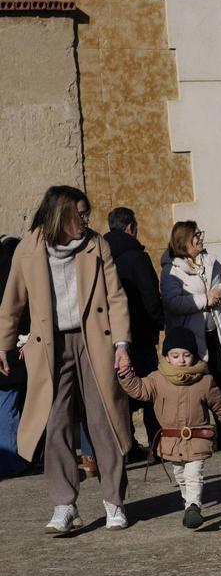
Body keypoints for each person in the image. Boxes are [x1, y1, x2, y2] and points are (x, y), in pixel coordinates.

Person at [0, 186, 133, 531]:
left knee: (104, 420)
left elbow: (116, 297)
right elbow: (12, 302)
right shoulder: (28, 250)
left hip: (94, 342)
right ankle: (63, 504)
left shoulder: (96, 244)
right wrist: (4, 344)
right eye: (81, 214)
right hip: (49, 346)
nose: (87, 220)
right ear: (61, 215)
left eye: (87, 214)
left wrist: (121, 345)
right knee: (56, 424)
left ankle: (114, 501)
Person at [117, 327, 221, 529]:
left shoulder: (205, 380)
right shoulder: (157, 379)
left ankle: (194, 506)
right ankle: (189, 505)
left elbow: (220, 404)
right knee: (180, 475)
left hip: (197, 437)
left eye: (187, 355)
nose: (182, 360)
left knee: (194, 474)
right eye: (175, 355)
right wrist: (126, 374)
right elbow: (139, 390)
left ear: (195, 355)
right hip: (171, 440)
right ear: (167, 357)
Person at [161, 221, 221, 448]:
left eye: (200, 234)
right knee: (198, 382)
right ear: (184, 241)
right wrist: (205, 300)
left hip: (215, 332)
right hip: (192, 338)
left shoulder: (210, 261)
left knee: (220, 379)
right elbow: (172, 302)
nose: (200, 238)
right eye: (195, 235)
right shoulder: (171, 270)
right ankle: (204, 433)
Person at [105, 207, 164, 457]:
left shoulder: (100, 253)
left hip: (111, 337)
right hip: (139, 333)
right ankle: (157, 443)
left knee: (120, 392)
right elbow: (150, 294)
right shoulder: (137, 256)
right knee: (150, 388)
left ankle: (127, 447)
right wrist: (158, 323)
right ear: (130, 227)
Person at [0, 234, 29, 477]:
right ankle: (11, 461)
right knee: (9, 404)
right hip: (11, 349)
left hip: (8, 349)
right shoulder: (9, 274)